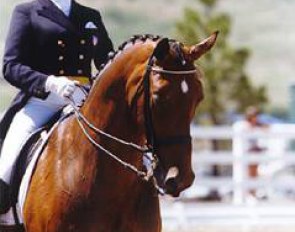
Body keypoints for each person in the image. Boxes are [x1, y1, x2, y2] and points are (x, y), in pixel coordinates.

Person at [0, 0, 113, 214]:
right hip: (43, 101)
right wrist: (49, 82)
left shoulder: (90, 15)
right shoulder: (28, 12)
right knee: (7, 163)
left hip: (84, 101)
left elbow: (108, 64)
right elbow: (11, 66)